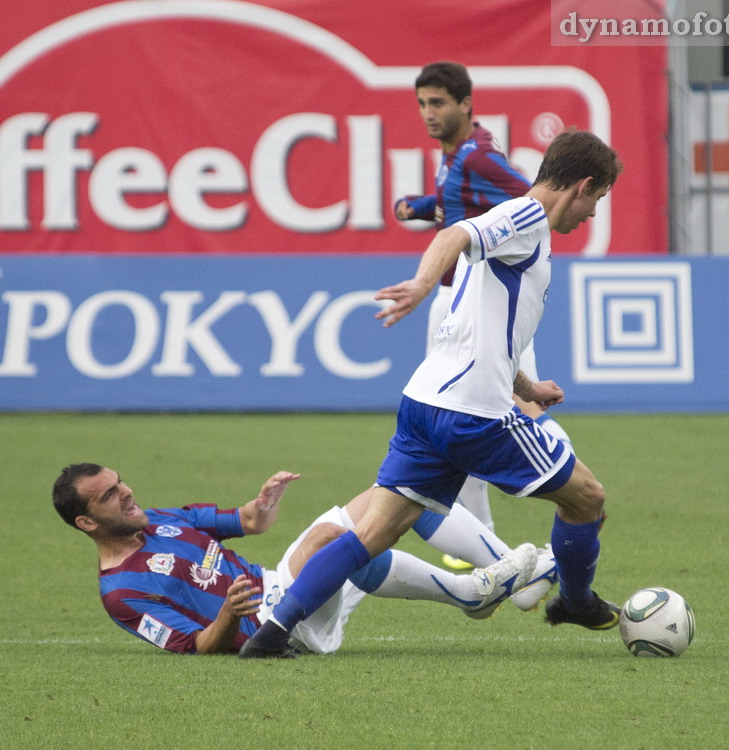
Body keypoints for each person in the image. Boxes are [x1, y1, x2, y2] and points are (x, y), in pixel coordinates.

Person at [241, 129, 623, 659]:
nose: (594, 214)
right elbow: (453, 236)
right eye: (598, 199)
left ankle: (270, 633)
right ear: (583, 184)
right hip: (474, 415)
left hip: (424, 404)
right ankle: (575, 601)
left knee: (371, 532)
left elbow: (489, 330)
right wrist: (423, 284)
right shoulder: (528, 217)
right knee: (588, 498)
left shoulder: (522, 231)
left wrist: (527, 386)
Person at [52, 463, 555, 656]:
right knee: (335, 536)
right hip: (272, 624)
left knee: (397, 493)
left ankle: (506, 583)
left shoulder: (157, 519)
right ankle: (474, 592)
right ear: (87, 523)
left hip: (283, 585)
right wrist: (230, 612)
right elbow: (196, 648)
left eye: (121, 483)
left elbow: (247, 522)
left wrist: (263, 505)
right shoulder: (121, 594)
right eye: (110, 496)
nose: (128, 493)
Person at [394, 60, 573, 568]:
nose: (429, 113)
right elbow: (463, 208)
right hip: (462, 302)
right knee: (465, 413)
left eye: (439, 103)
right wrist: (425, 205)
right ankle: (482, 541)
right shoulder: (455, 156)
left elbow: (530, 201)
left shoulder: (479, 157)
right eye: (423, 104)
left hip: (484, 303)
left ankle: (576, 509)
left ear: (465, 104)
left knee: (510, 412)